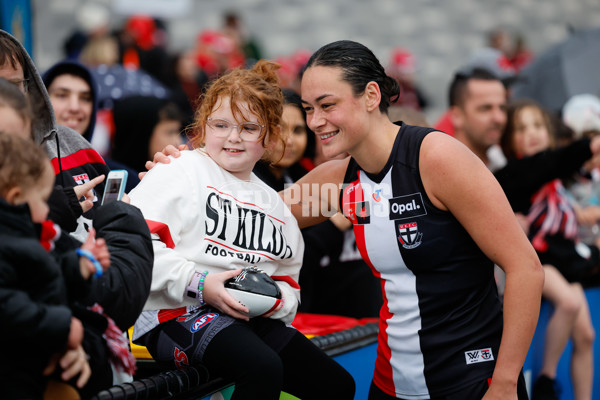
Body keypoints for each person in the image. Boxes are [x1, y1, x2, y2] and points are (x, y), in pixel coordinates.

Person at [283, 40, 544, 399]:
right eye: (308, 108)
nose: (314, 121)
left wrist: (504, 383)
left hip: (470, 383)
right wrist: (190, 165)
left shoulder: (437, 158)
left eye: (327, 105)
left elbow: (525, 269)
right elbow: (256, 214)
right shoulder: (339, 179)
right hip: (391, 386)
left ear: (372, 95)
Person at [129, 60, 355, 399]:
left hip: (245, 316)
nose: (233, 137)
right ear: (203, 127)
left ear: (270, 136)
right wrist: (201, 283)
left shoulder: (274, 204)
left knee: (337, 385)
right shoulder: (179, 168)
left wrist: (273, 301)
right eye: (221, 125)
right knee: (262, 367)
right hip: (173, 311)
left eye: (249, 128)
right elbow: (134, 244)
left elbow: (289, 283)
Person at [0, 76, 154, 397]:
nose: (75, 107)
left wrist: (80, 266)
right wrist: (65, 330)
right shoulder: (17, 234)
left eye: (85, 97)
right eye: (62, 94)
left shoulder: (31, 227)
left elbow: (48, 272)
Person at [0, 133, 111, 399]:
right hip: (15, 374)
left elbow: (46, 278)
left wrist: (78, 266)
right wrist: (64, 325)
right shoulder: (11, 242)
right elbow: (8, 306)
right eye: (43, 200)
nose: (49, 209)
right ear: (17, 198)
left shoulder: (28, 236)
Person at [498, 99, 596, 399]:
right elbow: (556, 161)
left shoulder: (557, 178)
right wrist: (590, 145)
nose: (532, 133)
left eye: (538, 126)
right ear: (509, 139)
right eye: (522, 128)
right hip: (538, 261)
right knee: (567, 303)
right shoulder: (516, 173)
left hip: (566, 262)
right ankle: (546, 379)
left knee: (587, 336)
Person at [0, 29, 109, 239]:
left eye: (14, 85)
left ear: (29, 88)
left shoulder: (74, 144)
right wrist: (51, 210)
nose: (7, 97)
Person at [111, 95, 184, 191]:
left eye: (178, 132)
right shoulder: (114, 182)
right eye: (170, 132)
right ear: (142, 134)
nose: (178, 141)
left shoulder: (174, 176)